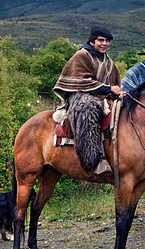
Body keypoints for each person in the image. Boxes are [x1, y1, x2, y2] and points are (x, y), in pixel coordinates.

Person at [52, 26, 124, 177]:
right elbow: (81, 82)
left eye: (107, 41)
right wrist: (110, 89)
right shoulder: (81, 56)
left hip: (101, 95)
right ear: (92, 42)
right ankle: (93, 160)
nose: (104, 44)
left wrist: (119, 91)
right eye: (101, 40)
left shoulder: (108, 61)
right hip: (79, 95)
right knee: (88, 108)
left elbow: (114, 82)